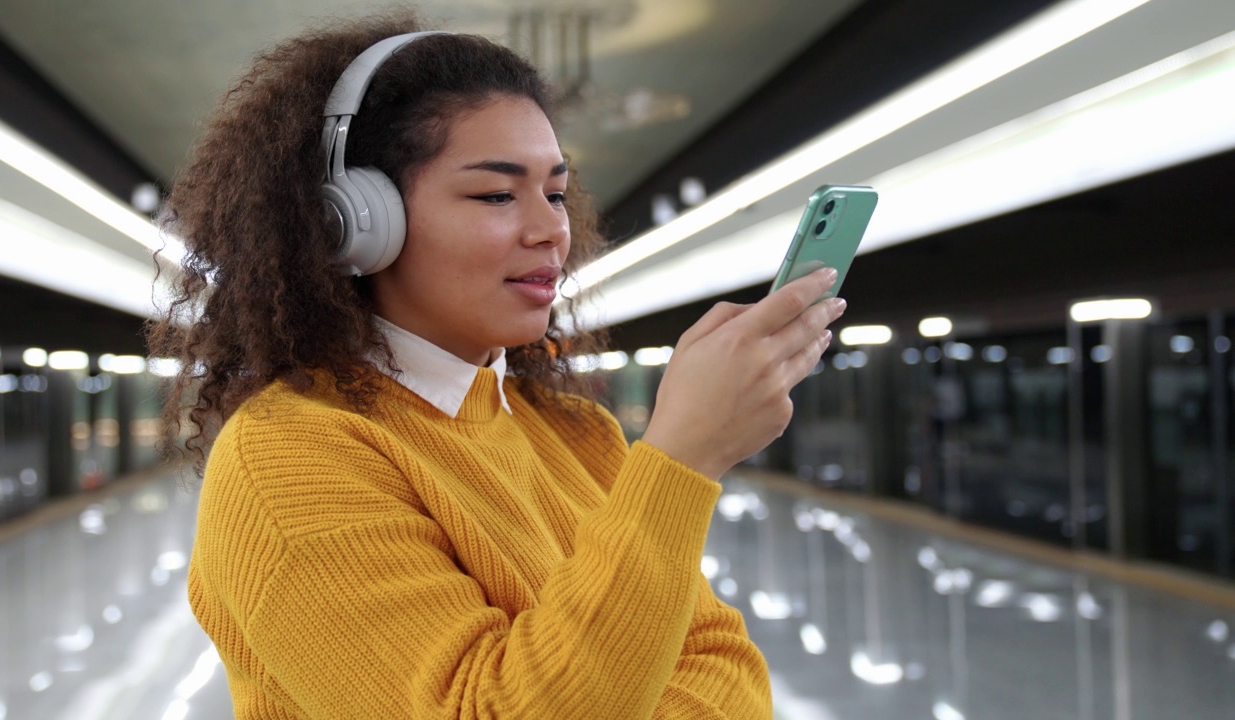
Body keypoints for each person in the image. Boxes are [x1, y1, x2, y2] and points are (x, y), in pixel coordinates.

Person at [152, 12, 846, 719]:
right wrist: (681, 460)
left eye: (554, 192)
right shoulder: (287, 458)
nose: (552, 230)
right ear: (357, 223)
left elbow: (724, 665)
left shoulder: (579, 433)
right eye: (495, 194)